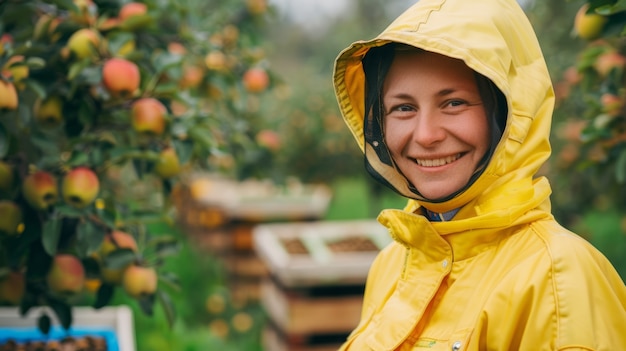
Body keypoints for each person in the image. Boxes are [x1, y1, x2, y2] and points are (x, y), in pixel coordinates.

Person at [332, 0, 626, 349]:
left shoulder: (557, 278)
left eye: (454, 103)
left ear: (509, 112)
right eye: (403, 108)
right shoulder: (393, 264)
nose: (426, 135)